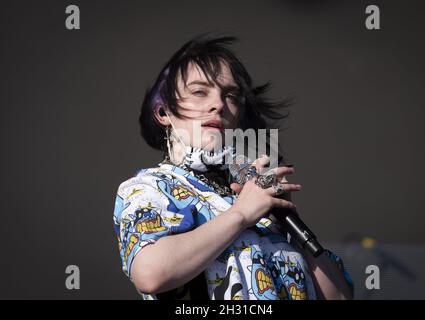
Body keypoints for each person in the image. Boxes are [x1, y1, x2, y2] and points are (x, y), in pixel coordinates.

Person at [112, 34, 354, 300]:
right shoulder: (149, 187)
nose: (218, 105)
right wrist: (240, 214)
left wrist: (288, 223)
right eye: (199, 92)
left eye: (230, 95)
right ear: (164, 113)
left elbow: (340, 297)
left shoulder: (252, 193)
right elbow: (151, 273)